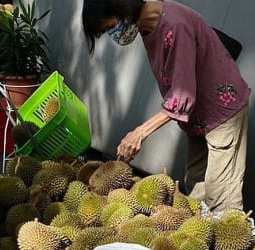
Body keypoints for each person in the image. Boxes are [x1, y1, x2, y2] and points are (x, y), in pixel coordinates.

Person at [82, 0, 250, 213]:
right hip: (197, 115)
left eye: (110, 27)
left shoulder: (174, 25)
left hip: (222, 109)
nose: (113, 35)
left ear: (123, 8)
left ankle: (234, 240)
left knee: (221, 196)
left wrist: (140, 132)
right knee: (196, 187)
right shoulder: (146, 23)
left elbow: (182, 96)